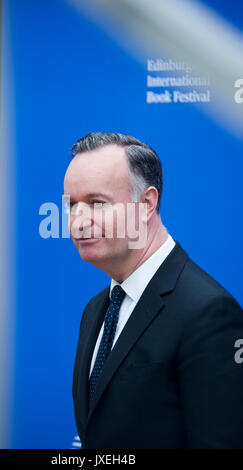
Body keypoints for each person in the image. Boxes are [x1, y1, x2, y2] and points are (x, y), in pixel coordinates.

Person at [63, 132, 243, 449]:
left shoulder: (207, 312)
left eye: (96, 203)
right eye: (72, 204)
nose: (79, 221)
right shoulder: (96, 309)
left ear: (146, 204)